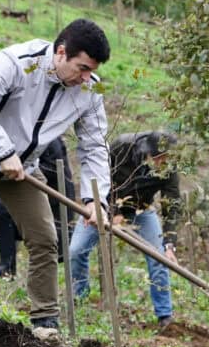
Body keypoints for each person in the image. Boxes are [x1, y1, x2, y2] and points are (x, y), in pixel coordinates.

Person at [0, 18, 111, 330]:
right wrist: (3, 151)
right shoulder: (18, 62)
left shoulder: (90, 90)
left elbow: (94, 146)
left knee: (45, 237)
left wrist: (97, 200)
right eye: (82, 68)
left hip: (21, 168)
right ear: (60, 53)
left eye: (91, 71)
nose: (86, 78)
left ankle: (45, 317)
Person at [69, 131, 180, 330]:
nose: (164, 162)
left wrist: (170, 244)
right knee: (76, 251)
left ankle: (164, 316)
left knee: (159, 258)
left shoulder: (170, 169)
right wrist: (114, 210)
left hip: (141, 210)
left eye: (168, 159)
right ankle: (79, 298)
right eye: (160, 158)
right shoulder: (123, 146)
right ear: (149, 153)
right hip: (102, 207)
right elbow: (102, 175)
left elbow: (172, 206)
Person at [0, 137, 76, 278]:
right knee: (1, 208)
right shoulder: (27, 135)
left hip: (55, 195)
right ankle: (6, 266)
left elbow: (53, 169)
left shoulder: (50, 139)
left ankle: (12, 268)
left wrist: (24, 169)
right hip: (34, 185)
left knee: (3, 210)